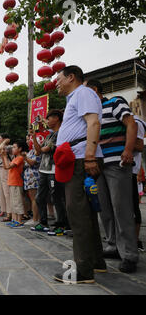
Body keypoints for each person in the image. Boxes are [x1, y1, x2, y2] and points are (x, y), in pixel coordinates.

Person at [52, 66, 106, 284]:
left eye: (59, 79)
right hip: (76, 157)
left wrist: (90, 156)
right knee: (85, 212)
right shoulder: (74, 98)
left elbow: (93, 122)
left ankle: (83, 270)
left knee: (78, 212)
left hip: (82, 158)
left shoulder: (83, 93)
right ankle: (95, 262)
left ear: (71, 77)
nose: (56, 83)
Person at [86, 79, 139, 273]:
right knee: (105, 210)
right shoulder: (92, 115)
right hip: (98, 166)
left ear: (95, 90)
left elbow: (131, 125)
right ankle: (113, 245)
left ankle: (130, 255)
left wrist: (128, 149)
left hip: (117, 163)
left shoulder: (115, 102)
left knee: (121, 209)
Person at [31, 110, 69, 235]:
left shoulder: (61, 134)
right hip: (43, 169)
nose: (47, 121)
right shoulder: (48, 136)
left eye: (49, 119)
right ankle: (43, 222)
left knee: (57, 197)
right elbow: (38, 152)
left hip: (54, 169)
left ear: (56, 118)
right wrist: (34, 138)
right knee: (40, 197)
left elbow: (45, 149)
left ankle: (62, 225)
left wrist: (39, 147)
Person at [1, 140, 29, 228]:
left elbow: (8, 166)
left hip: (17, 182)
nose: (13, 149)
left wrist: (5, 156)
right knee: (13, 203)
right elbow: (6, 167)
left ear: (20, 149)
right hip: (12, 182)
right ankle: (14, 219)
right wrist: (3, 157)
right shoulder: (15, 158)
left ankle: (19, 221)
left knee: (18, 202)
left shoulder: (20, 158)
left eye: (14, 147)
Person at [23, 135, 42, 226]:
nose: (28, 142)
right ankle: (35, 217)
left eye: (29, 140)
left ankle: (35, 219)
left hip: (34, 177)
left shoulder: (37, 151)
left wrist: (25, 158)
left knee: (34, 198)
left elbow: (32, 162)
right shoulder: (31, 151)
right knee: (32, 198)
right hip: (29, 177)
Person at [133, 116, 145, 252]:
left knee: (133, 207)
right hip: (122, 171)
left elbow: (139, 147)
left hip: (132, 172)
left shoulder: (136, 122)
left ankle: (135, 240)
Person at [0, 135, 12, 221]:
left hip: (6, 169)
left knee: (7, 192)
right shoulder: (1, 147)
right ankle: (5, 210)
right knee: (1, 192)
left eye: (0, 138)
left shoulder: (9, 147)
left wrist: (5, 141)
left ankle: (9, 213)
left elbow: (1, 149)